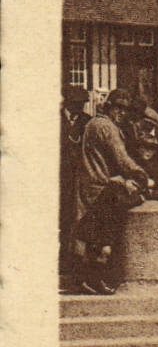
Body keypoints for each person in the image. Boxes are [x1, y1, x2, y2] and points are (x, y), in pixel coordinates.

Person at [72, 88, 149, 294]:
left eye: (125, 109)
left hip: (90, 184)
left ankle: (87, 279)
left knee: (93, 234)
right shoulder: (106, 127)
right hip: (100, 188)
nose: (122, 113)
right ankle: (94, 280)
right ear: (110, 107)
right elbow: (121, 159)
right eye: (119, 108)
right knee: (102, 236)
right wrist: (141, 174)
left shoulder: (94, 124)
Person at [60, 86, 91, 276]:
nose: (79, 108)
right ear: (67, 102)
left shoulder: (87, 122)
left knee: (73, 219)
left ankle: (69, 261)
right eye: (76, 104)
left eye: (82, 104)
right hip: (57, 178)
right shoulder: (53, 119)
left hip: (76, 179)